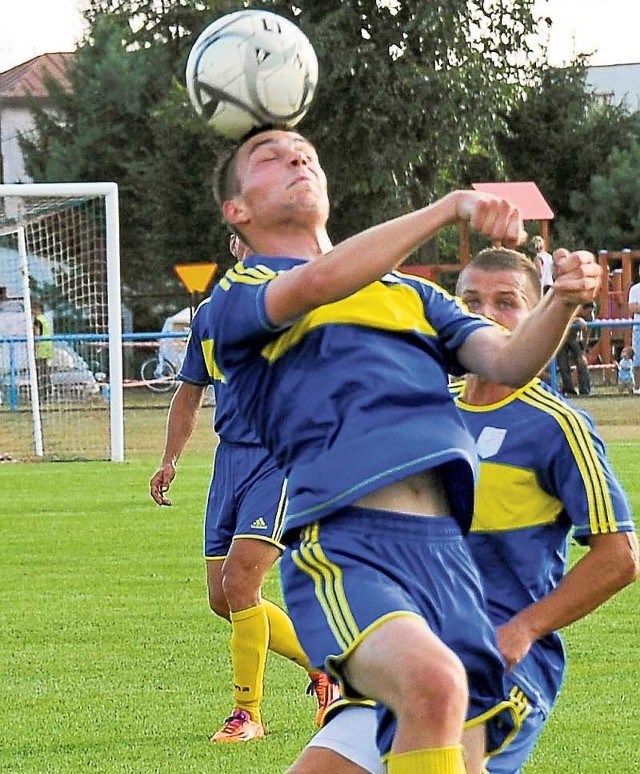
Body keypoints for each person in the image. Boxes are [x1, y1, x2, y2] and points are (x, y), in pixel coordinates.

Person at [207, 126, 601, 773]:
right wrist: (451, 206)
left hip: (450, 560)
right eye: (268, 156)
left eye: (304, 149)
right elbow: (318, 282)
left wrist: (560, 301)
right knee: (436, 682)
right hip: (349, 547)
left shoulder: (410, 296)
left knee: (459, 733)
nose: (296, 156)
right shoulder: (240, 294)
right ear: (237, 211)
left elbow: (507, 358)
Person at [290, 248, 638, 774]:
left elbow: (621, 557)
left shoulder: (556, 426)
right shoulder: (427, 406)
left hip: (496, 664)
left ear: (536, 312)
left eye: (507, 302)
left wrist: (523, 630)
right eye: (471, 299)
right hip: (411, 651)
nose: (485, 312)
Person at [149, 237, 338, 744]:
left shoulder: (297, 307)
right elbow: (190, 393)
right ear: (235, 244)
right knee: (223, 599)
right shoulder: (210, 314)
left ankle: (246, 714)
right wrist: (169, 459)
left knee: (240, 585)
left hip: (279, 460)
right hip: (228, 461)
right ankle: (327, 670)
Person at [554, 303, 592, 396]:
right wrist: (577, 319)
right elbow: (563, 318)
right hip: (561, 339)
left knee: (582, 363)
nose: (590, 314)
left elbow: (588, 328)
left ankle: (585, 391)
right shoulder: (571, 308)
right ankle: (569, 390)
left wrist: (585, 342)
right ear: (582, 309)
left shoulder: (590, 315)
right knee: (563, 365)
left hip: (574, 338)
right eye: (589, 311)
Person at [31, 300, 53, 400]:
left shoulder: (38, 320)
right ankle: (48, 390)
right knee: (45, 371)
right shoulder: (45, 319)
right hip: (48, 347)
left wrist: (34, 347)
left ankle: (41, 393)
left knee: (39, 371)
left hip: (41, 348)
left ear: (37, 309)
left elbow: (37, 334)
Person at [627, 274, 640, 392]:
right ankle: (638, 387)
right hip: (639, 327)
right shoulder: (635, 289)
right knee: (638, 357)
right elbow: (632, 307)